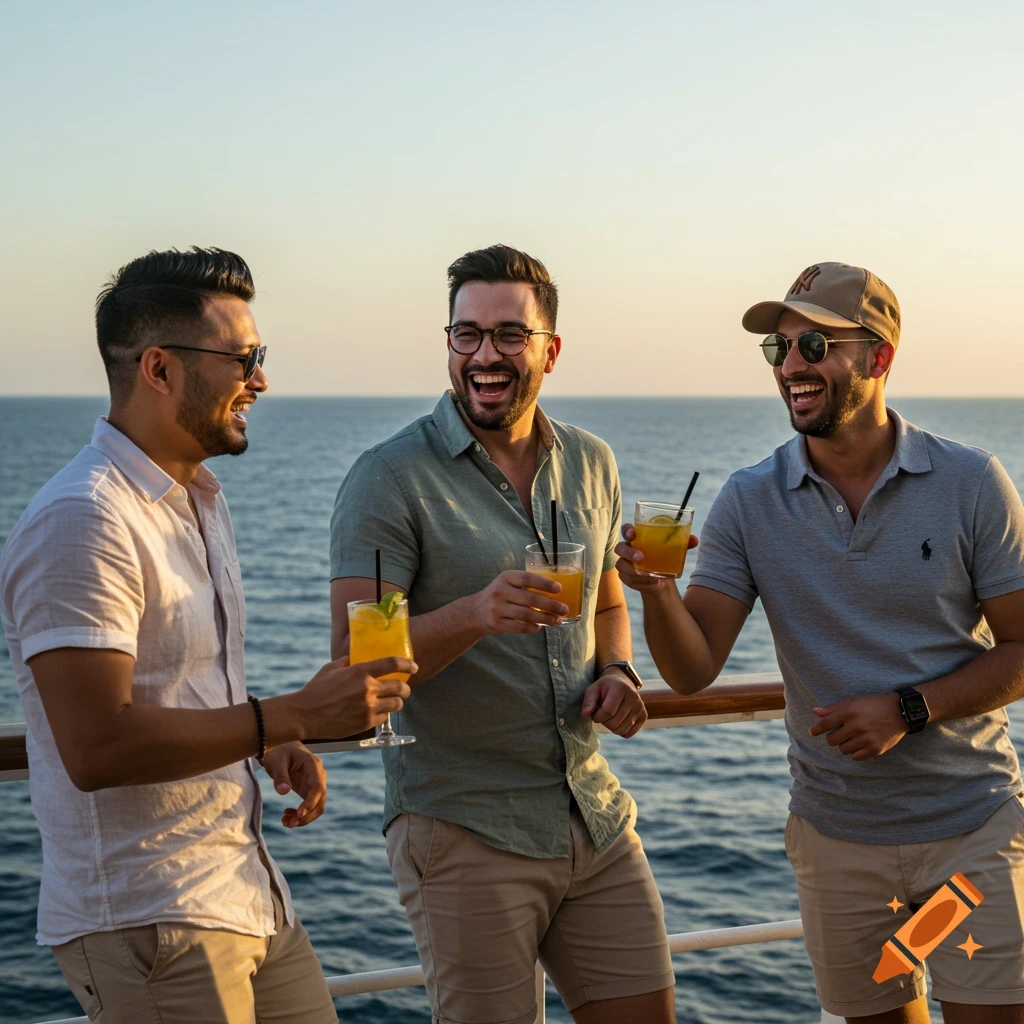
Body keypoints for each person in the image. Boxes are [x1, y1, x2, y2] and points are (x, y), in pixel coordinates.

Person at [0, 247, 415, 1024]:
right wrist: (289, 716)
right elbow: (97, 747)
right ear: (159, 369)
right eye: (243, 358)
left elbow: (172, 685)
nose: (260, 380)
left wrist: (257, 739)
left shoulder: (197, 501)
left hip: (245, 892)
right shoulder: (83, 519)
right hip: (151, 918)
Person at [615, 261, 1024, 1024]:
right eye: (780, 349)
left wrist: (908, 708)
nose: (792, 367)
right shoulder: (748, 499)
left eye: (815, 345)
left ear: (879, 358)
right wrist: (658, 592)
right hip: (838, 844)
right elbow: (693, 668)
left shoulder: (971, 483)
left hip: (972, 832)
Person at [329, 244, 676, 1024]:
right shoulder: (390, 478)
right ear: (448, 343)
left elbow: (610, 606)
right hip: (464, 826)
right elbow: (361, 663)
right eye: (467, 334)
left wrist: (619, 673)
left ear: (551, 350)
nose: (485, 355)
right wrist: (475, 615)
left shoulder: (591, 462)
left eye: (510, 335)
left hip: (593, 815)